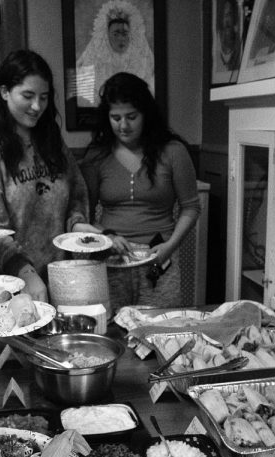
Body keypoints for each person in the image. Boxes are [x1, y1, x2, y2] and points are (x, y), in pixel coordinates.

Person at [0, 50, 96, 301]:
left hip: (59, 277)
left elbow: (76, 195)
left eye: (44, 98)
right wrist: (25, 272)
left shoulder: (52, 143)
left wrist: (77, 224)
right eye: (28, 96)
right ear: (4, 92)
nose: (37, 106)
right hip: (9, 287)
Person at [81, 72, 201, 309]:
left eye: (131, 117)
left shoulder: (173, 151)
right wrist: (106, 237)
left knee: (159, 328)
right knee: (112, 329)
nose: (123, 126)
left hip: (158, 256)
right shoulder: (97, 155)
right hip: (110, 257)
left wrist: (171, 246)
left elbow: (191, 207)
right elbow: (83, 213)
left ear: (146, 114)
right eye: (115, 118)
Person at [73, 0, 155, 107]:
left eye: (125, 34)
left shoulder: (143, 60)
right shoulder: (91, 60)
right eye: (116, 34)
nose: (121, 39)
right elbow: (83, 99)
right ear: (107, 36)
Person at [216, 0, 242, 72]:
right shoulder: (217, 44)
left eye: (229, 14)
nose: (226, 20)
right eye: (224, 15)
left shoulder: (239, 42)